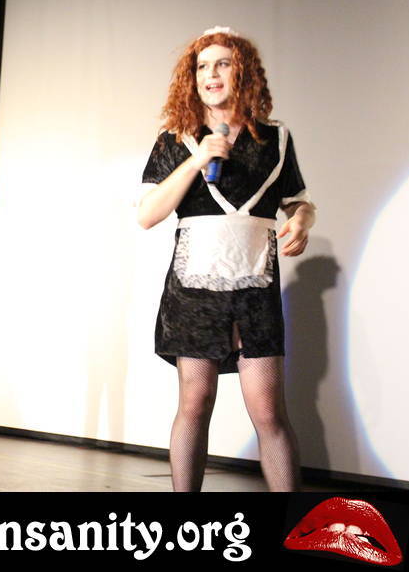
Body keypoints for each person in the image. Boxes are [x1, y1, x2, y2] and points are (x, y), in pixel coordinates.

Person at [137, 27, 315, 491]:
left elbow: (298, 202)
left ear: (244, 72)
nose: (210, 74)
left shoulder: (276, 138)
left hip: (256, 286)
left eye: (222, 63)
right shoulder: (176, 139)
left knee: (269, 411)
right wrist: (197, 160)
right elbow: (147, 214)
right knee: (195, 402)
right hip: (195, 289)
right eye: (202, 66)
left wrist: (302, 220)